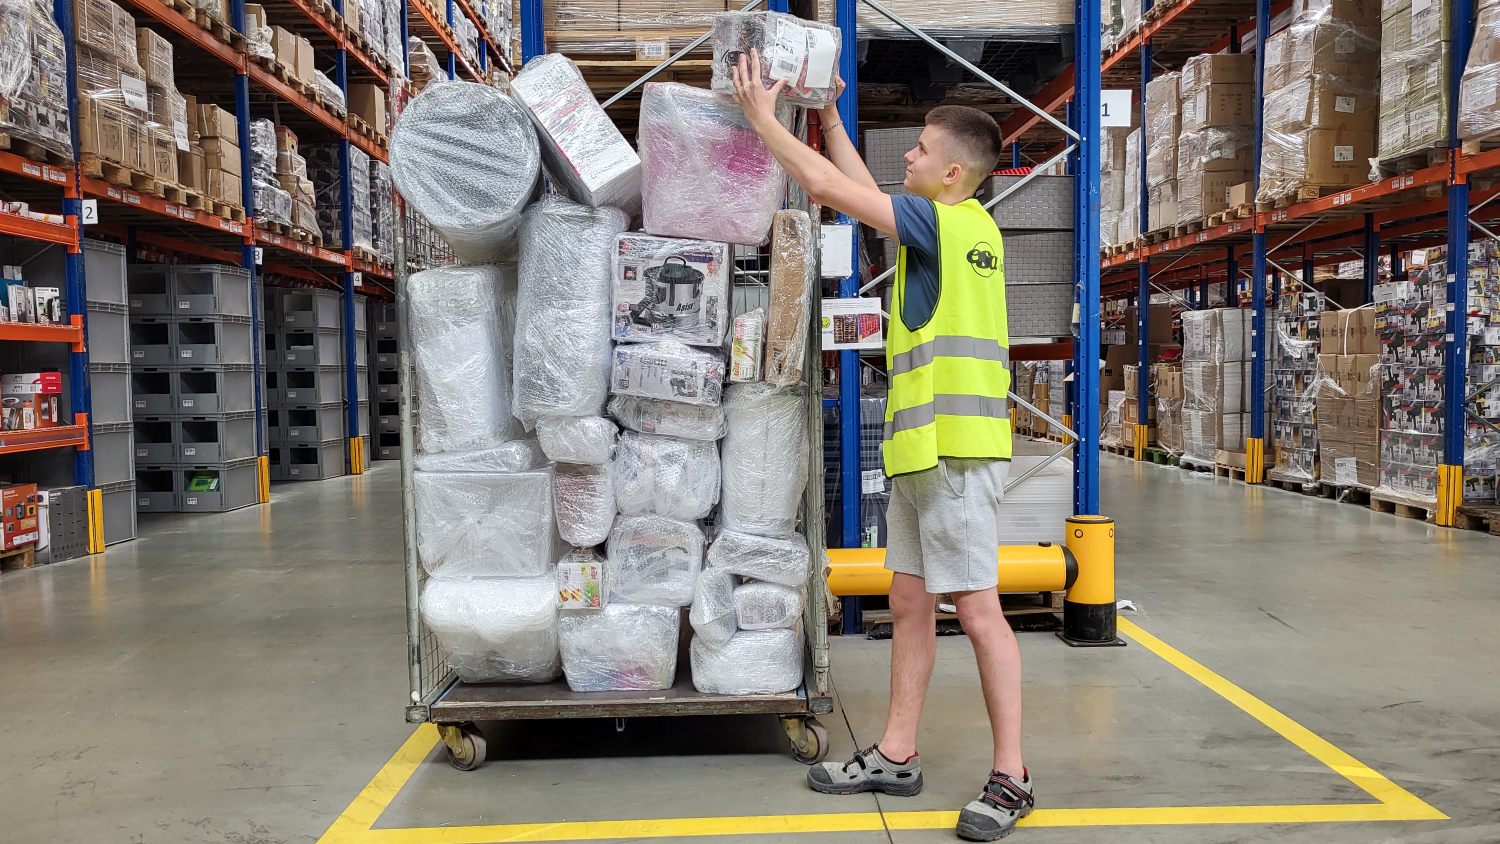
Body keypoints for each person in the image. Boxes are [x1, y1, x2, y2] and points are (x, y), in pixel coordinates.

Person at [731, 51, 1029, 842]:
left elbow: (834, 193)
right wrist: (827, 117)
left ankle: (1012, 775)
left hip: (955, 457)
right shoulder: (959, 226)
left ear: (956, 173)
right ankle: (897, 752)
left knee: (979, 610)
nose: (910, 157)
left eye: (923, 150)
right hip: (925, 457)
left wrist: (764, 121)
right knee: (907, 601)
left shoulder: (943, 222)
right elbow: (867, 196)